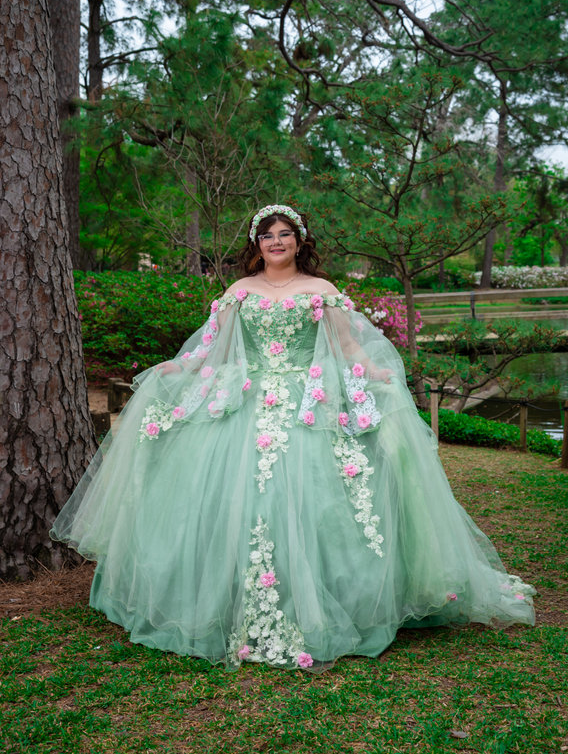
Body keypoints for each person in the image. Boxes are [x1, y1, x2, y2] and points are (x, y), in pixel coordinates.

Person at [51, 204, 535, 671]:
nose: (276, 242)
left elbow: (346, 346)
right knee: (231, 498)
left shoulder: (320, 289)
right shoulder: (239, 290)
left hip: (309, 402)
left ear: (299, 242)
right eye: (267, 235)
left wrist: (374, 372)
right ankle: (225, 604)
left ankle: (328, 601)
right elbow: (212, 349)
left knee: (321, 498)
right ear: (256, 245)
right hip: (246, 399)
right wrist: (177, 367)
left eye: (284, 234)